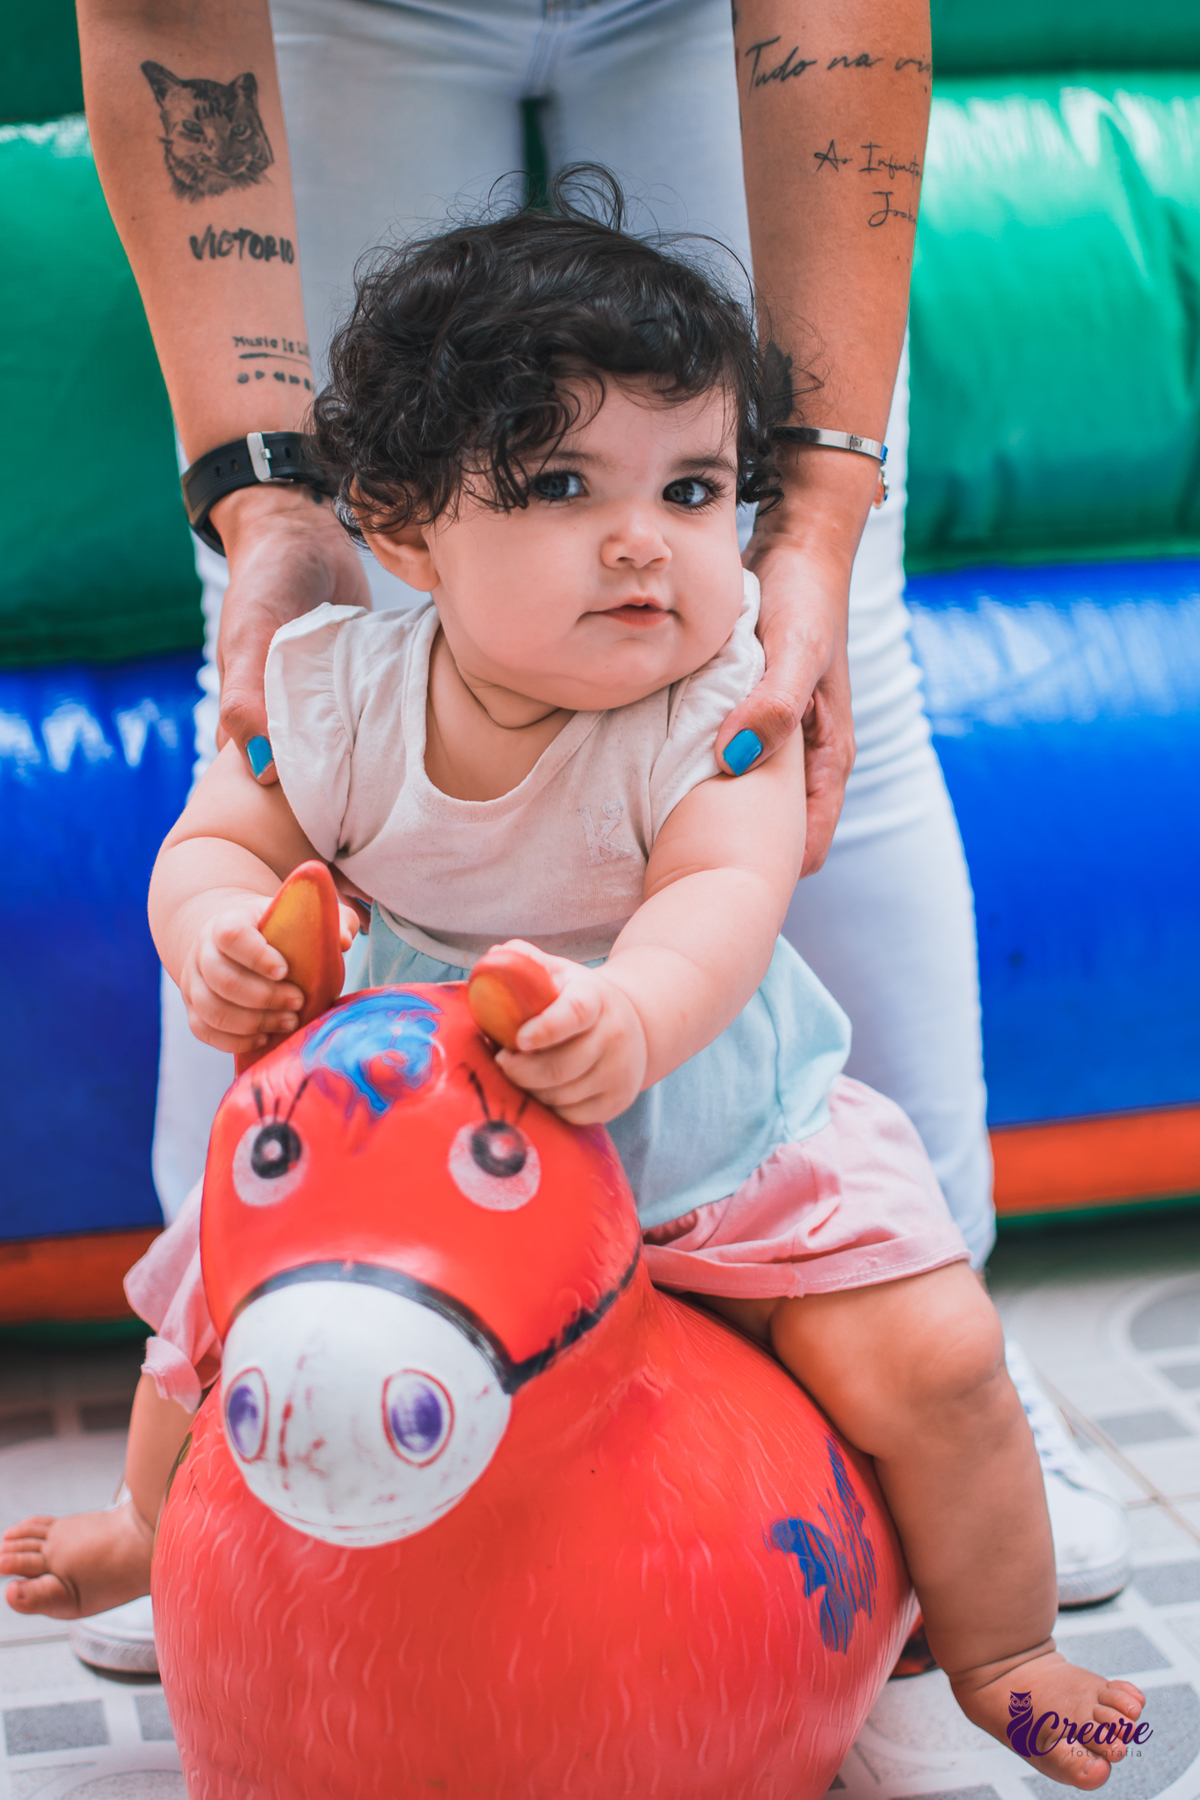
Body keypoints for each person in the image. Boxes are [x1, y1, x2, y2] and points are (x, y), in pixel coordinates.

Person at [1, 199, 1142, 1783]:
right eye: (559, 486)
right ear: (402, 532)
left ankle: (1003, 1643)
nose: (644, 541)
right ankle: (149, 1523)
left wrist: (637, 1015)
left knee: (938, 1356)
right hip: (421, 1176)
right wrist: (213, 931)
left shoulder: (713, 706)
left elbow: (724, 898)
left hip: (714, 1141)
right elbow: (215, 838)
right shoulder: (334, 686)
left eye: (693, 489)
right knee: (218, 1297)